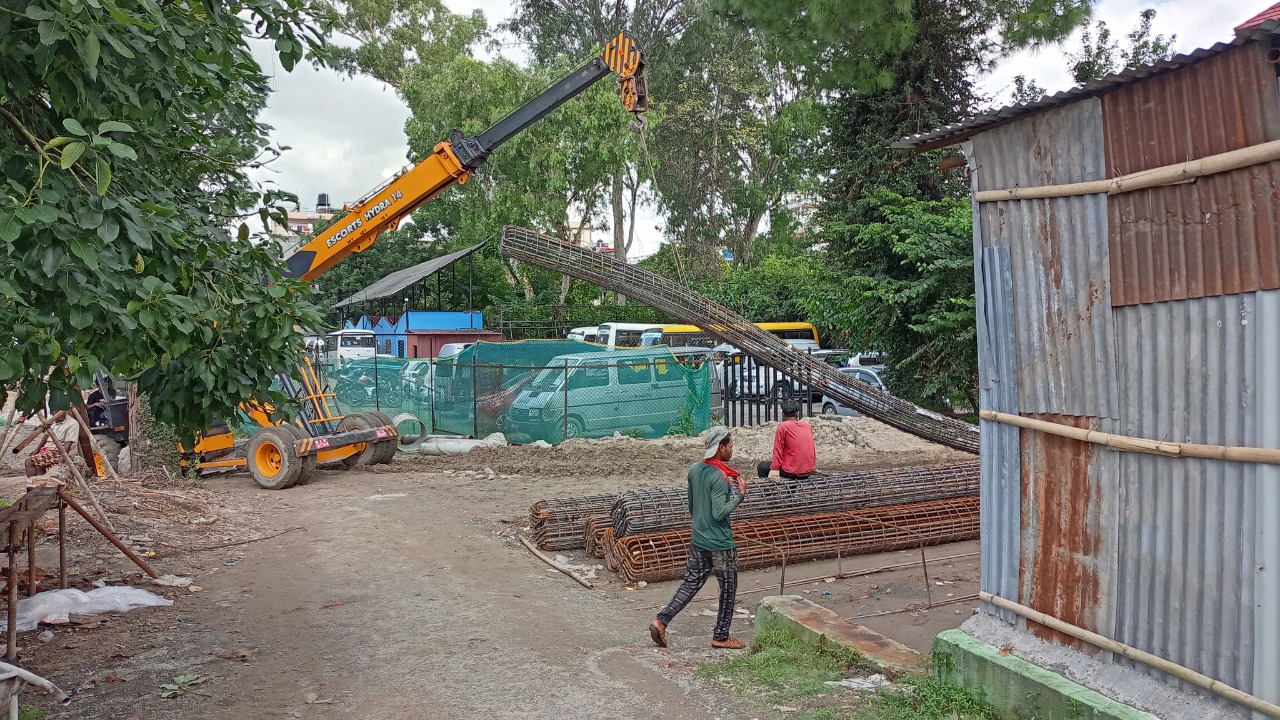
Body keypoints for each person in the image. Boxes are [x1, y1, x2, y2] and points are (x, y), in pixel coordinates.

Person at [649, 426, 747, 650]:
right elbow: (719, 513)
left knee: (691, 583)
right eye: (730, 447)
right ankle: (721, 636)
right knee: (728, 589)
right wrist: (740, 495)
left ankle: (661, 621)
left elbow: (692, 506)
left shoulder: (695, 469)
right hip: (720, 543)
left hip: (698, 539)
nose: (732, 451)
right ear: (720, 448)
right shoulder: (720, 477)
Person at [757, 398, 816, 481]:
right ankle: (791, 492)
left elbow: (778, 450)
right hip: (808, 469)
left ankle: (768, 493)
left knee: (762, 467)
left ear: (783, 414)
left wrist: (774, 469)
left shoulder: (783, 426)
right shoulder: (807, 425)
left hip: (792, 471)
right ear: (797, 413)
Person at [15, 410, 80, 478]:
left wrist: (62, 460)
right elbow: (46, 436)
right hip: (49, 450)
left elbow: (68, 444)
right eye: (54, 412)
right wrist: (38, 449)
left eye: (59, 412)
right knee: (38, 464)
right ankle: (40, 483)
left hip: (59, 452)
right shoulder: (52, 421)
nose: (58, 415)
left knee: (29, 462)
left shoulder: (72, 423)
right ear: (52, 413)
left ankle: (33, 486)